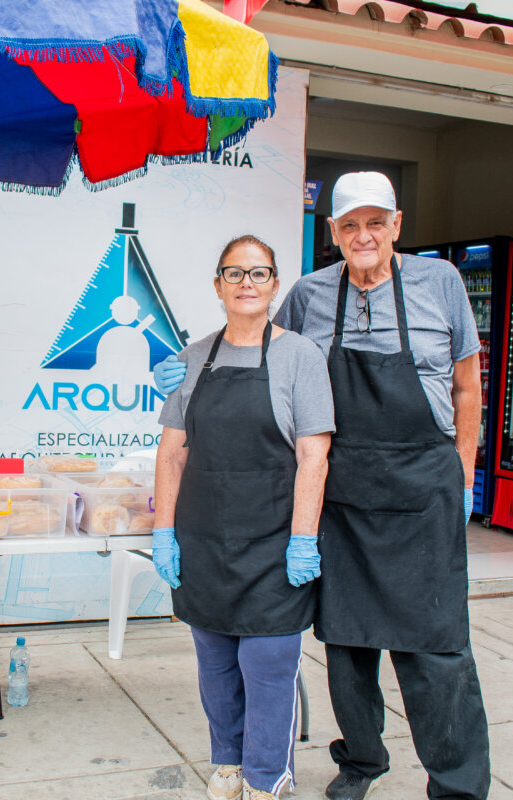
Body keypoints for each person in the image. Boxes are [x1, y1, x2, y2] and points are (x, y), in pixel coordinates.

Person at [155, 173, 490, 800]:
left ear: (397, 225)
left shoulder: (441, 283)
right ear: (332, 234)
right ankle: (361, 762)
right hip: (343, 493)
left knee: (436, 649)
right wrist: (185, 370)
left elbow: (468, 385)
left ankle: (457, 785)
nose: (363, 235)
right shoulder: (308, 295)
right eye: (349, 225)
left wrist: (464, 473)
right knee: (346, 646)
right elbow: (260, 345)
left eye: (376, 222)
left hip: (423, 486)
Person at [152, 234, 334, 800]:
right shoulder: (191, 359)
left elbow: (314, 454)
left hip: (274, 541)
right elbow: (172, 451)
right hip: (204, 540)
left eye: (259, 274)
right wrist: (163, 531)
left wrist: (303, 539)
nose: (247, 284)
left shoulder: (300, 356)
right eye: (235, 274)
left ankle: (266, 775)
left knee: (269, 661)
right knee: (215, 664)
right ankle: (227, 762)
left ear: (275, 284)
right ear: (217, 286)